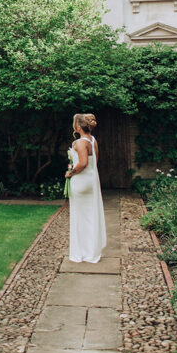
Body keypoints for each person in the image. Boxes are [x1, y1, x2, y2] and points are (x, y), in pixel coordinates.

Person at [66, 113, 106, 263]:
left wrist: (70, 172)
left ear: (78, 126)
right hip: (91, 181)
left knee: (79, 217)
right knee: (90, 216)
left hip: (80, 182)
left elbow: (82, 163)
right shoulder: (93, 140)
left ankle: (82, 252)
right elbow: (94, 161)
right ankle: (92, 249)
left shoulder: (79, 143)